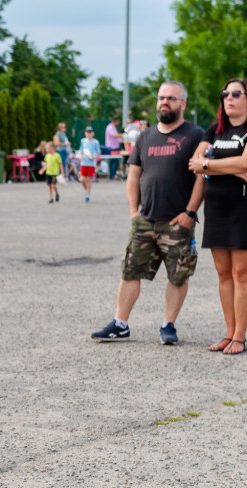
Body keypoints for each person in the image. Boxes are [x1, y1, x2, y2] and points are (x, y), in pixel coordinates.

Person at [91, 81, 205, 345]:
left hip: (177, 220)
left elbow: (202, 178)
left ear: (183, 104)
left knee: (178, 274)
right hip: (145, 219)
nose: (164, 102)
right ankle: (120, 323)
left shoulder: (195, 135)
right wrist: (134, 212)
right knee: (130, 270)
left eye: (171, 99)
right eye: (161, 98)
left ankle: (168, 325)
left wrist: (190, 212)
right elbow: (134, 177)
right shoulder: (145, 136)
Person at [187, 78, 247, 355]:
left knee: (241, 273)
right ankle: (228, 332)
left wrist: (214, 165)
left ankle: (240, 337)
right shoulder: (215, 129)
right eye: (225, 93)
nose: (229, 97)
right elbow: (195, 163)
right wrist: (232, 169)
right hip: (217, 207)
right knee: (223, 273)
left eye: (236, 93)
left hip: (244, 207)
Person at [79, 126, 101, 202]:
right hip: (84, 163)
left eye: (90, 132)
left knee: (88, 179)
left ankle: (88, 195)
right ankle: (86, 190)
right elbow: (81, 150)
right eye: (87, 132)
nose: (89, 134)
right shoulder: (83, 141)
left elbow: (98, 153)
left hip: (91, 163)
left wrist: (93, 157)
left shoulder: (95, 142)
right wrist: (81, 157)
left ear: (93, 133)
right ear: (85, 133)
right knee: (82, 179)